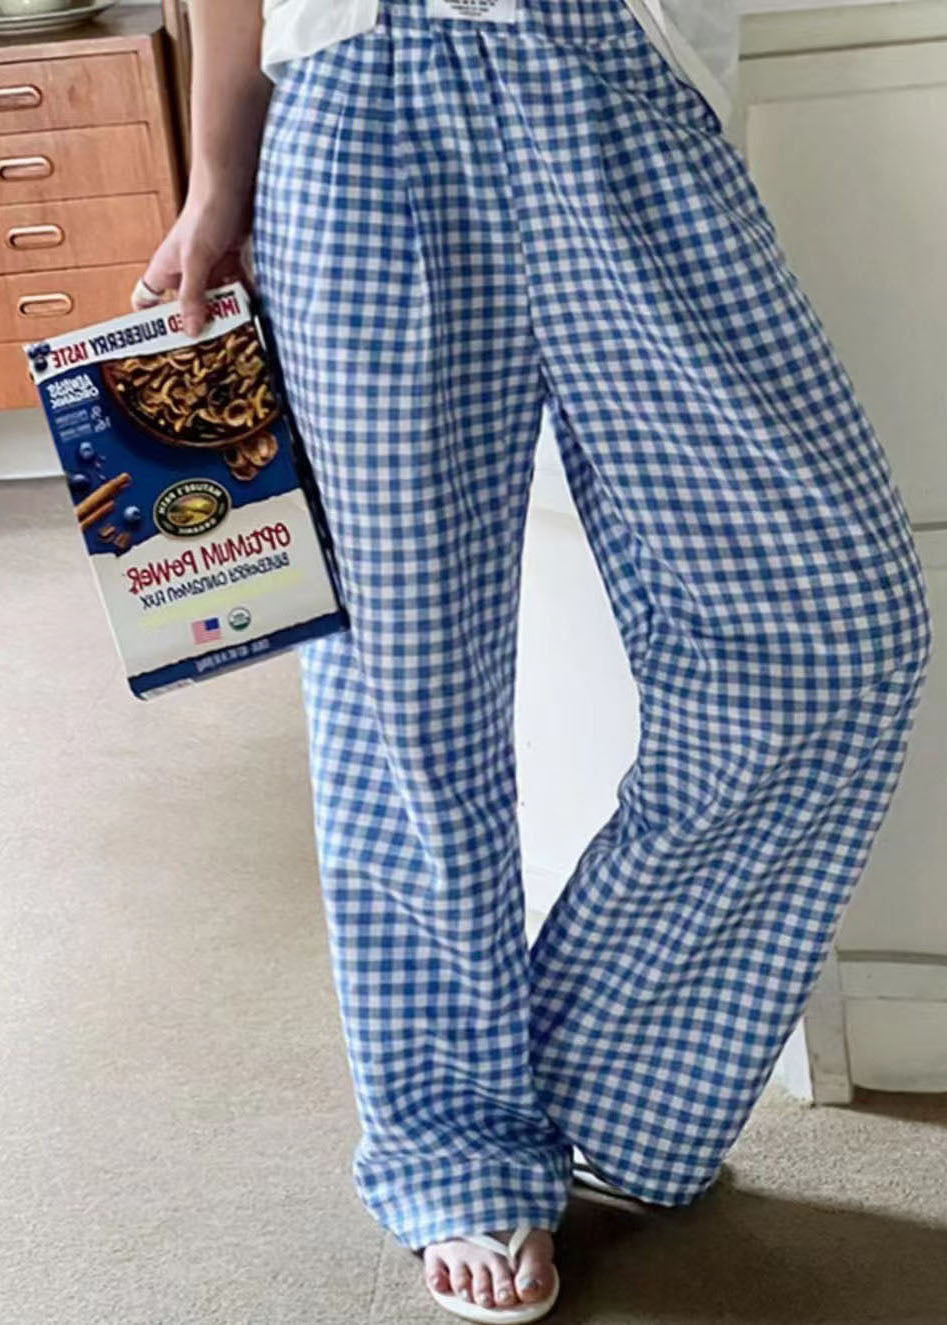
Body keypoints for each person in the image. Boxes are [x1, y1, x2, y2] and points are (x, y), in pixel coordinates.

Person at [134, 0, 934, 1318]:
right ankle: (452, 1141)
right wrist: (220, 176)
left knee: (831, 635)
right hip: (357, 103)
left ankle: (599, 1074)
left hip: (617, 77)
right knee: (400, 696)